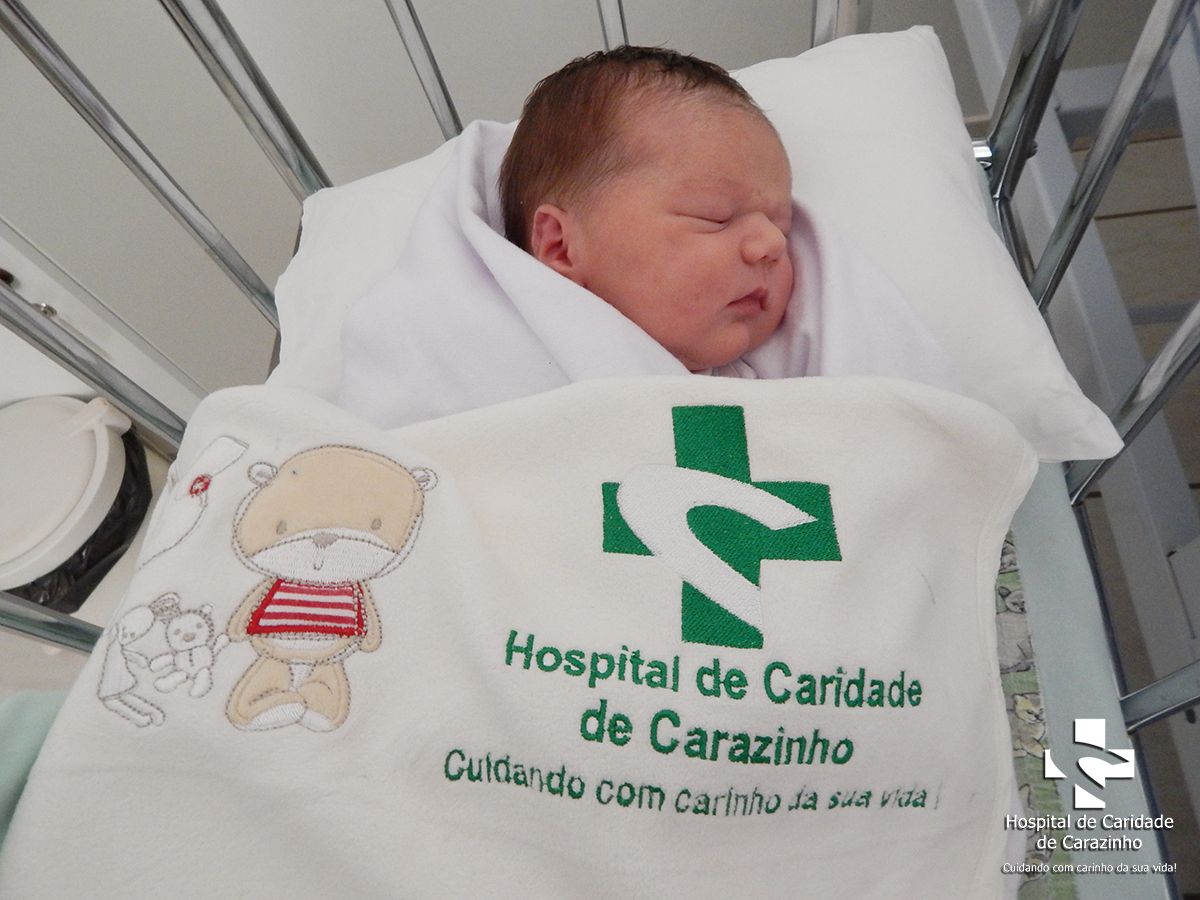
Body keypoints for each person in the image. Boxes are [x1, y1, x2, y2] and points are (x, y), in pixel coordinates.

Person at [498, 46, 795, 373]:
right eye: (715, 217)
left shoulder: (772, 385)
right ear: (561, 247)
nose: (773, 243)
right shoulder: (511, 372)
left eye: (781, 226)